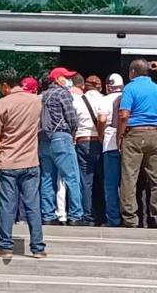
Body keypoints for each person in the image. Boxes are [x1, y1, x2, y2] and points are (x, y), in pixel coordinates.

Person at [0, 69, 46, 259]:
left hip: (8, 163)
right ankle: (38, 248)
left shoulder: (1, 104)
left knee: (7, 205)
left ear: (4, 85)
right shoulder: (37, 101)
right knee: (33, 205)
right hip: (30, 161)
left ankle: (6, 247)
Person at [117, 59, 157, 229]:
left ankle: (130, 218)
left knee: (129, 177)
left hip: (135, 133)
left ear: (132, 72)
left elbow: (124, 115)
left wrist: (120, 135)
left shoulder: (130, 88)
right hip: (154, 133)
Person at [39, 67, 89, 226]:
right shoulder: (63, 93)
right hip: (62, 137)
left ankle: (47, 215)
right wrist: (73, 132)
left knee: (47, 178)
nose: (69, 80)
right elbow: (72, 118)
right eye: (65, 77)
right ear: (57, 79)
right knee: (72, 177)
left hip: (44, 140)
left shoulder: (43, 96)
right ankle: (75, 215)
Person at [72, 73, 106, 224]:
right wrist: (100, 133)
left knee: (86, 181)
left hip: (82, 141)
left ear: (85, 86)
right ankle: (104, 215)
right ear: (99, 86)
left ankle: (87, 216)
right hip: (100, 143)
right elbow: (103, 119)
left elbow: (72, 122)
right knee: (104, 180)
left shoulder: (78, 100)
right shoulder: (104, 100)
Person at [98, 73, 124, 227]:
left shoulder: (104, 99)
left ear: (108, 86)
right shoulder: (129, 97)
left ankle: (113, 219)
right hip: (127, 143)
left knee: (111, 184)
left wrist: (101, 134)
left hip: (110, 143)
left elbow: (102, 119)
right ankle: (131, 217)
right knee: (128, 183)